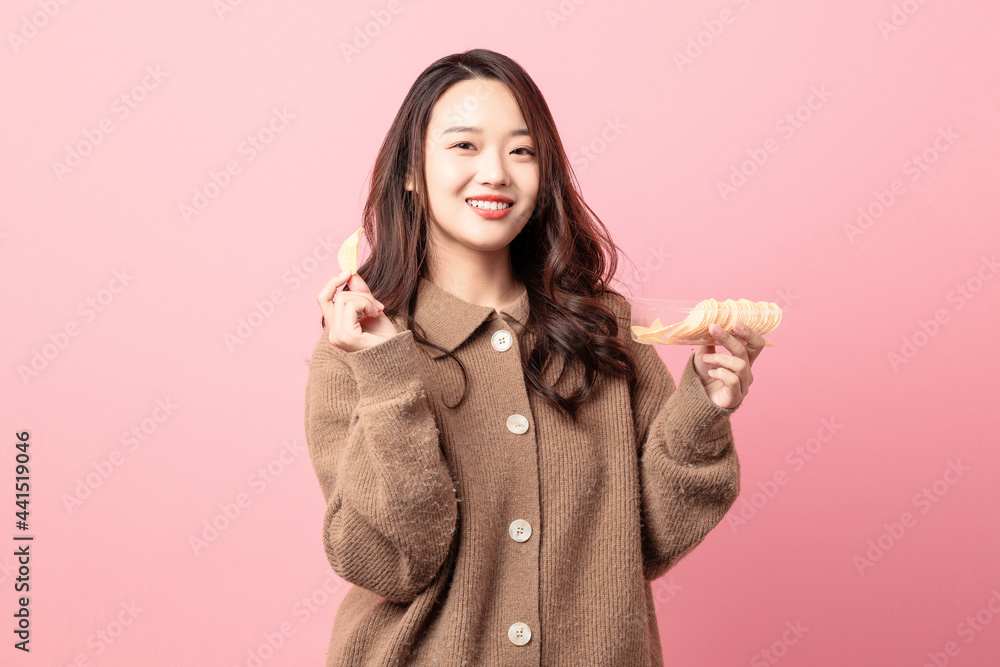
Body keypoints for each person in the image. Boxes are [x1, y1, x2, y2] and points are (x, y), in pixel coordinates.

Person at [304, 48, 765, 666]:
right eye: (464, 146)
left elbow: (645, 542)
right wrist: (387, 374)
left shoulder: (603, 330)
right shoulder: (355, 350)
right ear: (410, 171)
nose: (496, 172)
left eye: (522, 151)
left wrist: (702, 407)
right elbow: (392, 561)